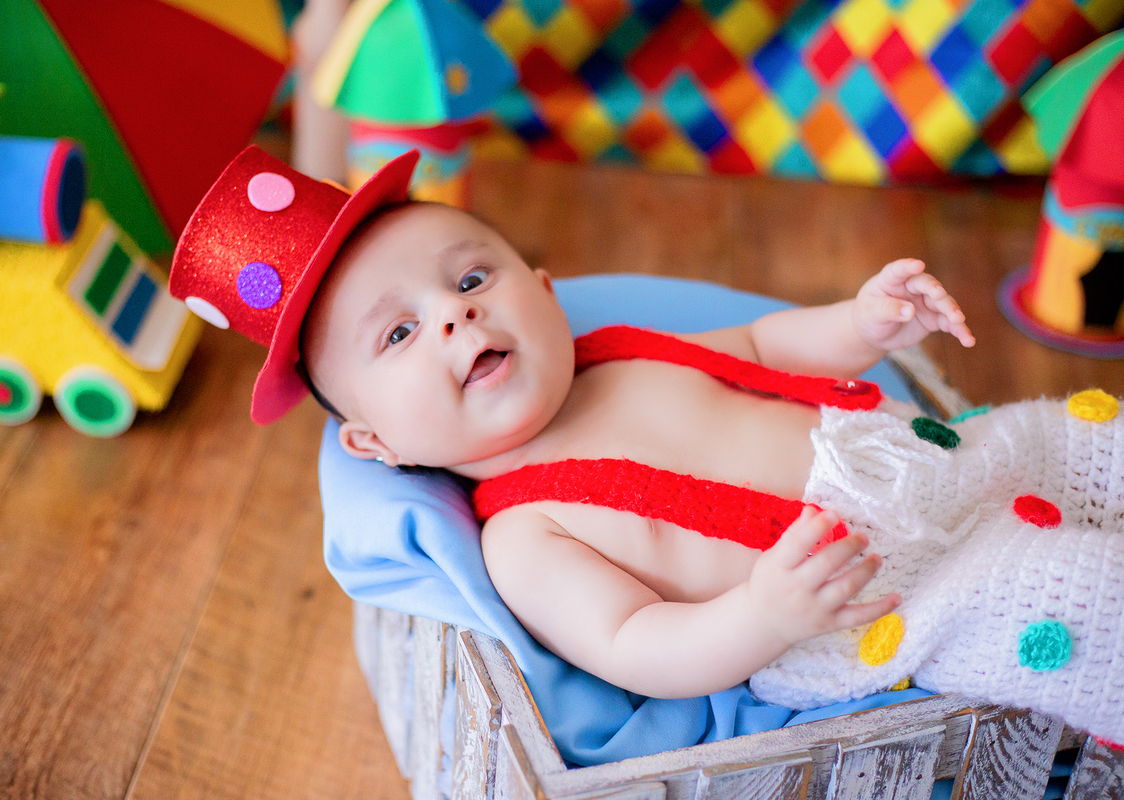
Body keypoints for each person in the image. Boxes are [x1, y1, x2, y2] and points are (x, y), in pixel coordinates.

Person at [171, 146, 1124, 745]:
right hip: (863, 604)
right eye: (399, 333)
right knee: (1068, 595)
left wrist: (861, 323)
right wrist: (763, 613)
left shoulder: (623, 349)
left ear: (545, 290)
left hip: (926, 461)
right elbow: (636, 643)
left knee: (1074, 436)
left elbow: (765, 345)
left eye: (470, 278)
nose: (455, 316)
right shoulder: (525, 534)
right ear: (375, 442)